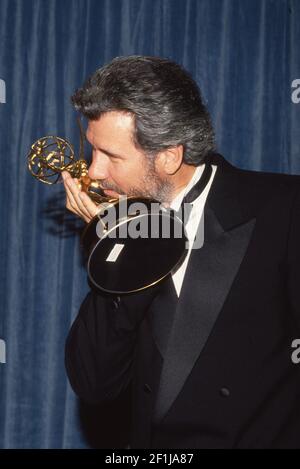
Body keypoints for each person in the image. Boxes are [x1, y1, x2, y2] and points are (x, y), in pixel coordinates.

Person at [64, 55, 300, 449]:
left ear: (170, 156)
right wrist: (115, 241)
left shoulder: (286, 208)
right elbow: (93, 383)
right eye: (93, 151)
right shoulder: (121, 225)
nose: (94, 172)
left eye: (112, 156)